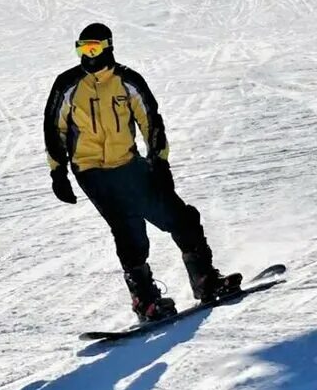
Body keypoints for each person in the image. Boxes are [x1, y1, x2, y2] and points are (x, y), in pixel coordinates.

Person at [44, 23, 238, 321]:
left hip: (129, 165)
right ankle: (145, 302)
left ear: (107, 47)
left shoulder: (127, 81)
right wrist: (58, 172)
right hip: (91, 171)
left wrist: (159, 162)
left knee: (179, 216)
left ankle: (205, 280)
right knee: (128, 229)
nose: (88, 55)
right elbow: (53, 128)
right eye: (82, 49)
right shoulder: (68, 84)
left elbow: (151, 121)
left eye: (94, 48)